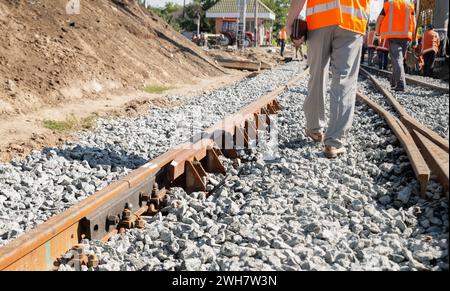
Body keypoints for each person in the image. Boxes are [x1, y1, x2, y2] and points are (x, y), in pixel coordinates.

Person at [286, 0, 369, 158]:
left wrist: (290, 24)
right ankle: (334, 142)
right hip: (352, 20)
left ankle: (314, 128)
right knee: (344, 80)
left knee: (317, 73)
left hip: (320, 20)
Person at [376, 0, 416, 92]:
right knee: (399, 60)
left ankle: (401, 83)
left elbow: (379, 19)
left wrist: (377, 33)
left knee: (397, 60)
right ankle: (394, 82)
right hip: (406, 36)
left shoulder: (389, 4)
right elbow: (414, 21)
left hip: (393, 37)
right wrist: (414, 37)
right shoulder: (409, 5)